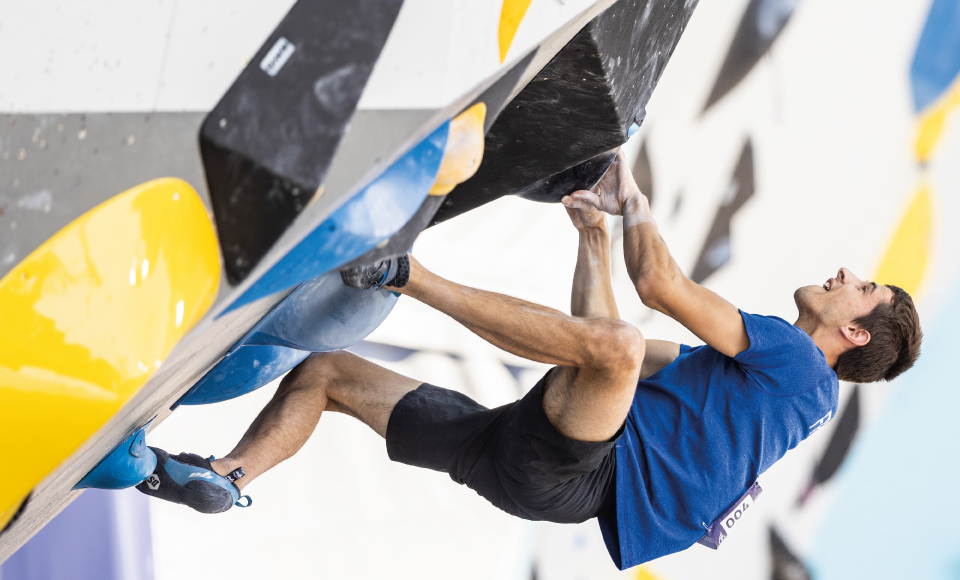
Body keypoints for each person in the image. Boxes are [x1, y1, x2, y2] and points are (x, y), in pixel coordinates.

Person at [138, 153, 922, 569]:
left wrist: (633, 199)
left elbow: (657, 288)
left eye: (864, 289)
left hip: (581, 470)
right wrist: (593, 240)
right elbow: (599, 345)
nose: (847, 274)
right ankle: (227, 477)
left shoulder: (797, 365)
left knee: (612, 353)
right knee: (324, 375)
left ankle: (403, 271)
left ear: (854, 335)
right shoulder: (770, 402)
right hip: (540, 479)